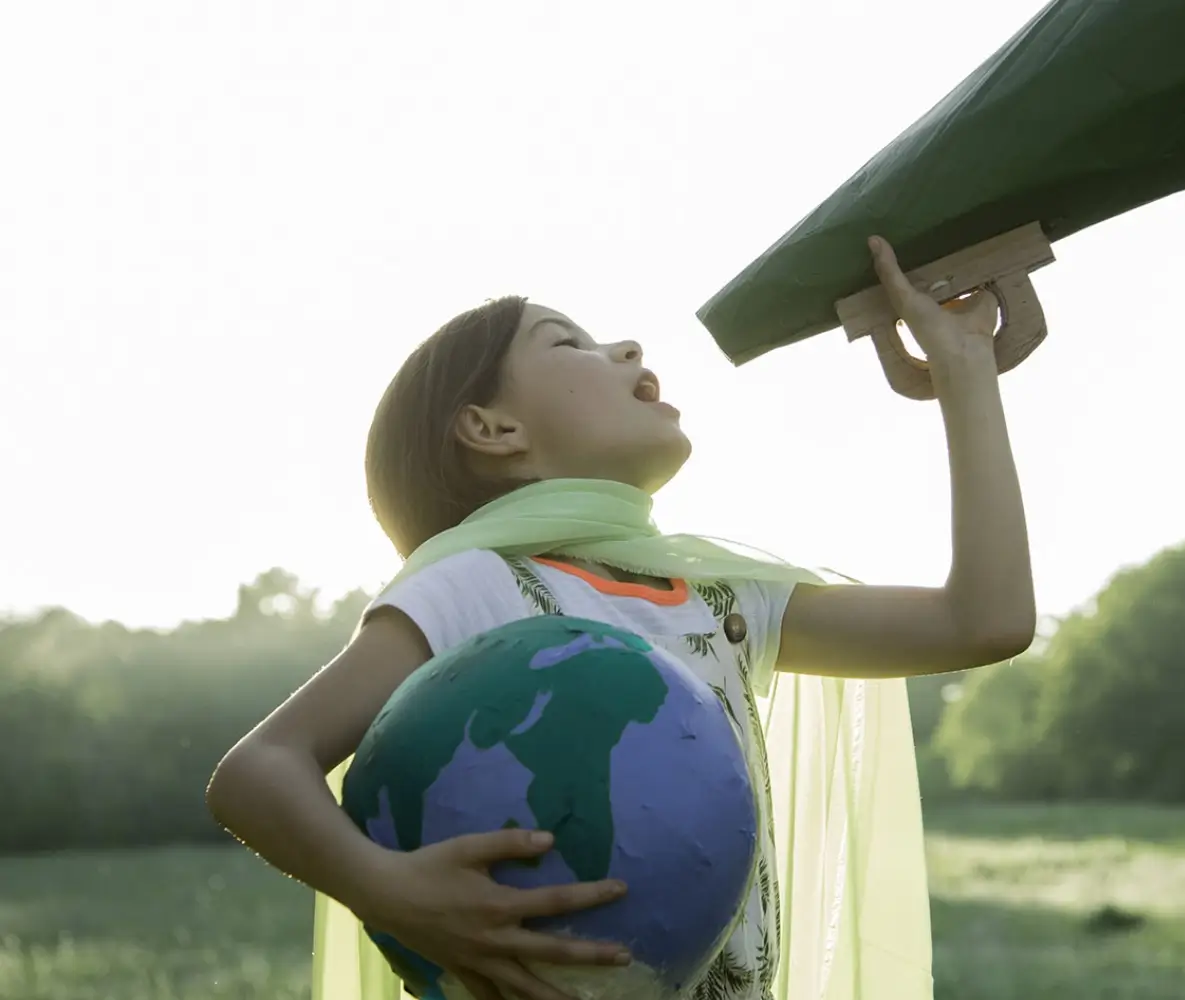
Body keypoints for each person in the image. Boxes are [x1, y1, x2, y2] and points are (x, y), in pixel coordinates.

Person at [206, 236, 1034, 1000]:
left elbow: (983, 621)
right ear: (490, 428)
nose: (629, 350)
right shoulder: (474, 587)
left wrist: (965, 368)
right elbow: (259, 770)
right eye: (569, 343)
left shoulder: (721, 601)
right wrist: (389, 892)